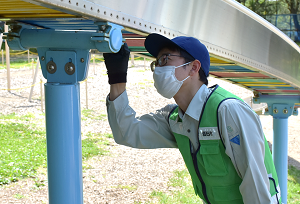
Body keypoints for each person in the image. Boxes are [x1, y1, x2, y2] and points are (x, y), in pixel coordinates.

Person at [103, 33, 281, 204]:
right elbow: (126, 132)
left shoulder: (228, 110)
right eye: (156, 62)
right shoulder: (175, 118)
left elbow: (256, 186)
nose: (158, 68)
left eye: (165, 59)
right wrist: (117, 78)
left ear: (194, 67)